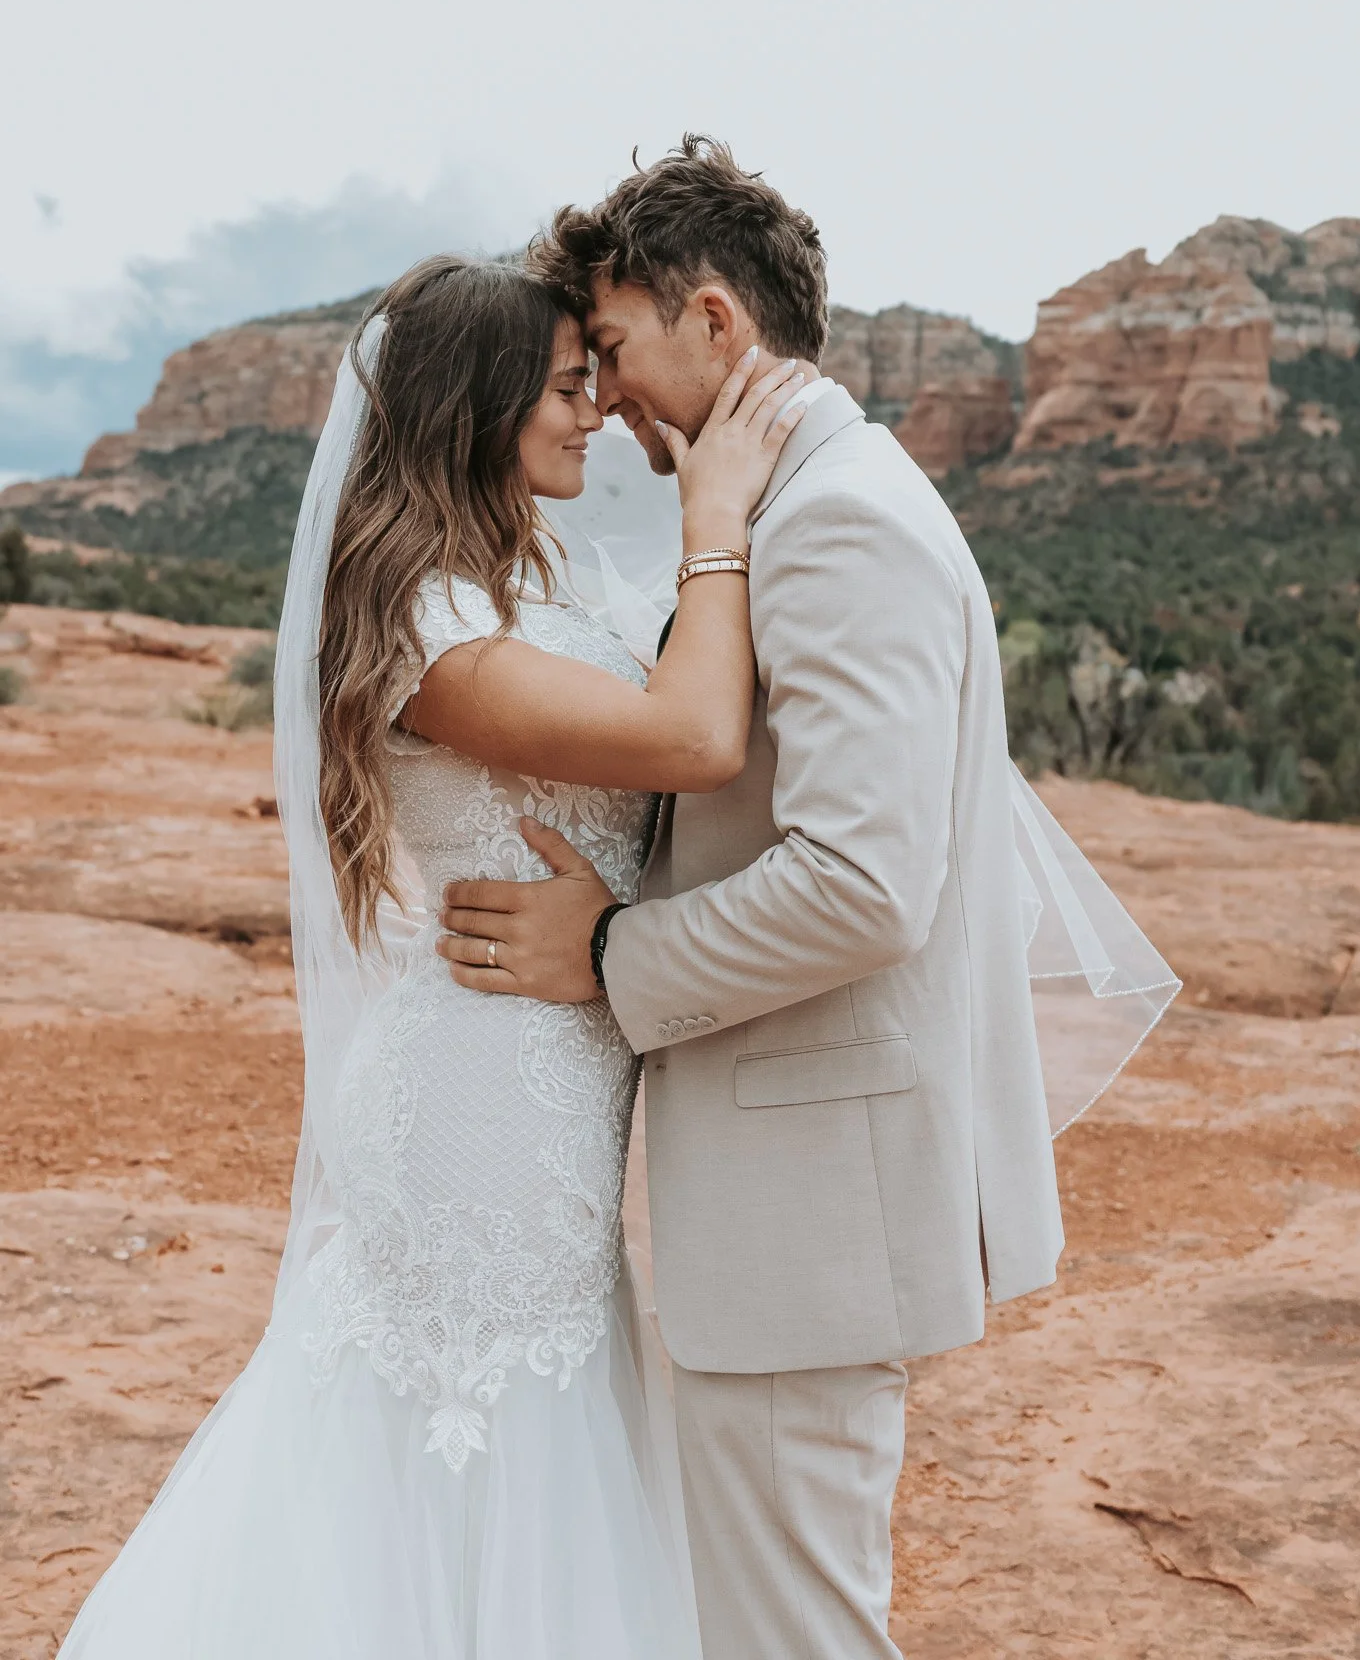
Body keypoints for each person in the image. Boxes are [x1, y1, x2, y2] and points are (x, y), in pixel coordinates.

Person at [57, 253, 810, 1659]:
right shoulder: (428, 622)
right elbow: (692, 741)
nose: (594, 413)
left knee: (535, 1437)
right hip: (473, 1097)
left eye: (599, 380)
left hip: (545, 1076)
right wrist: (717, 517)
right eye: (567, 387)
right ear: (477, 407)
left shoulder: (529, 580)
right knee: (475, 1453)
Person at [435, 137, 1067, 1660]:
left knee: (792, 1638)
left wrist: (609, 952)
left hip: (811, 1227)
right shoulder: (818, 498)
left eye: (612, 347)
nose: (606, 395)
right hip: (797, 1210)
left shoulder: (837, 520)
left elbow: (863, 885)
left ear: (714, 321)